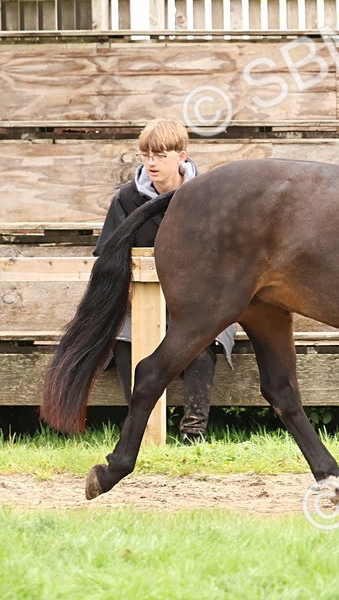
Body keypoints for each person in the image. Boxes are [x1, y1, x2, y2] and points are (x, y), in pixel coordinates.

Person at [96, 118, 234, 443]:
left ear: (181, 156)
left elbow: (225, 256)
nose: (152, 163)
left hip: (198, 299)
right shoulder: (126, 199)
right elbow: (110, 254)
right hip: (139, 301)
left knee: (204, 336)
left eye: (160, 155)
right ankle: (140, 431)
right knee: (125, 339)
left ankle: (193, 433)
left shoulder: (207, 196)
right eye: (146, 155)